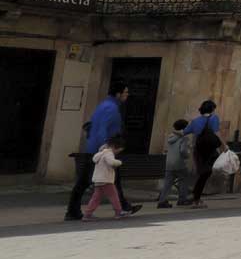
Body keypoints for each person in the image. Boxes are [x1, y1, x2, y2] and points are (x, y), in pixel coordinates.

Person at [66, 80, 140, 221]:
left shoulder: (103, 106)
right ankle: (73, 211)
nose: (127, 95)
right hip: (101, 151)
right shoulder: (111, 108)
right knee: (88, 182)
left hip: (94, 149)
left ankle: (123, 207)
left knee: (98, 181)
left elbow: (93, 125)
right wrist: (105, 148)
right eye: (125, 92)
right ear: (118, 94)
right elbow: (102, 129)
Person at [185, 100, 226, 208]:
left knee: (203, 173)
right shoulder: (214, 118)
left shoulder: (195, 121)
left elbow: (184, 132)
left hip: (198, 151)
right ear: (212, 109)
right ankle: (195, 198)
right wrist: (224, 145)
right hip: (210, 151)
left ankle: (195, 196)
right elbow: (217, 133)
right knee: (205, 173)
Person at [82, 135, 129, 220]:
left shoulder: (100, 154)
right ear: (115, 147)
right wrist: (119, 162)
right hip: (106, 179)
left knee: (96, 198)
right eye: (118, 151)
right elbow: (111, 162)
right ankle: (119, 212)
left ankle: (87, 214)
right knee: (114, 195)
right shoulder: (109, 153)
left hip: (98, 180)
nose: (117, 153)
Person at [158, 119, 194, 208]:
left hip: (169, 163)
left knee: (167, 183)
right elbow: (183, 150)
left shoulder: (171, 136)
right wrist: (187, 154)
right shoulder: (184, 138)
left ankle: (162, 201)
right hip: (179, 163)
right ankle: (182, 199)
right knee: (184, 180)